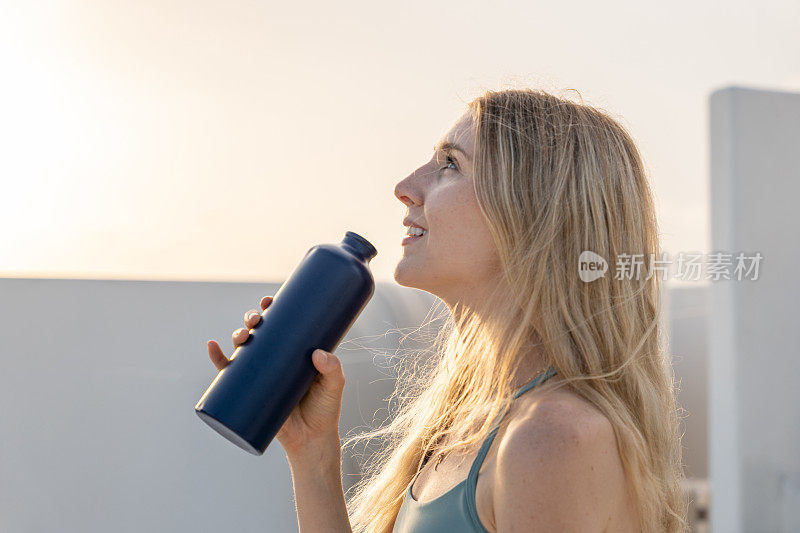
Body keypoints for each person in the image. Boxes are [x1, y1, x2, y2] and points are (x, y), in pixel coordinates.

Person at [207, 87, 688, 532]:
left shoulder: (551, 439)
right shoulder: (470, 422)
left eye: (450, 164)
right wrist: (311, 452)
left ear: (530, 213)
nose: (405, 185)